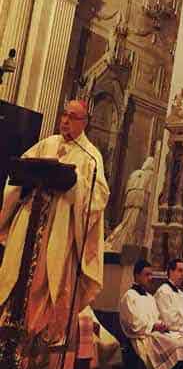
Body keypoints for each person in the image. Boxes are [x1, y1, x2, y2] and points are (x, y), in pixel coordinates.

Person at [0, 99, 109, 353]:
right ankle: (7, 339)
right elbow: (17, 174)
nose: (65, 121)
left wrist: (77, 183)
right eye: (64, 115)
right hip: (30, 221)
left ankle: (36, 350)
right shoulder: (47, 145)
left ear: (84, 123)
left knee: (47, 282)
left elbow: (99, 196)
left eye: (72, 117)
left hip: (58, 230)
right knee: (13, 275)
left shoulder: (91, 157)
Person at [105, 155, 154, 252]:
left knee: (127, 224)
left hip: (130, 202)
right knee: (134, 228)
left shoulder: (135, 173)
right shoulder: (152, 175)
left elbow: (127, 189)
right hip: (140, 203)